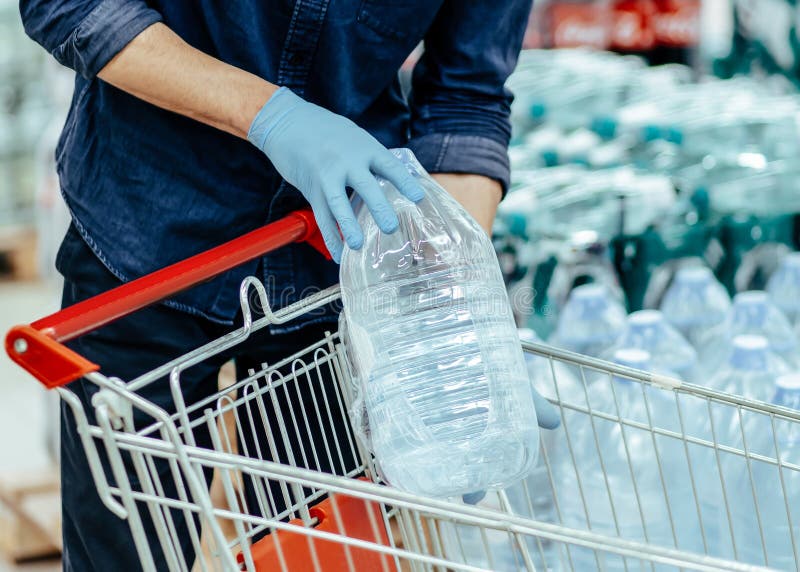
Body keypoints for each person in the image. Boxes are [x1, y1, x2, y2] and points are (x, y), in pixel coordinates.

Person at [20, 1, 558, 569]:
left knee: (320, 556)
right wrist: (268, 114)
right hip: (144, 235)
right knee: (125, 554)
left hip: (334, 267)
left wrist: (454, 319)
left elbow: (465, 98)